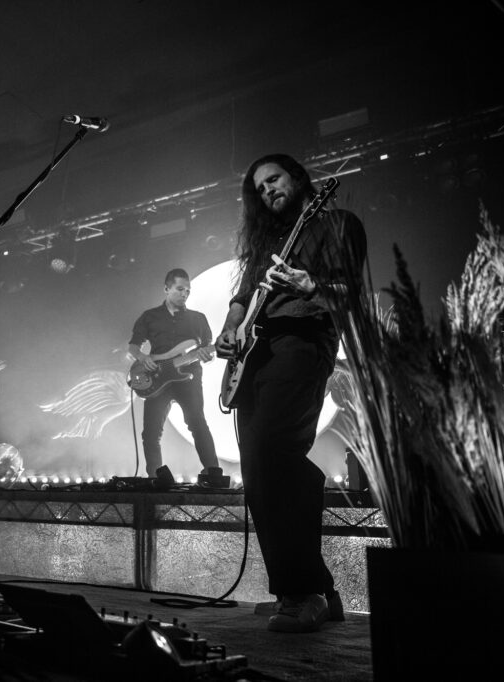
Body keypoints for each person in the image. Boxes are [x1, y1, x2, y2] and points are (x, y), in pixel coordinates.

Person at [215, 153, 367, 633]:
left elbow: (349, 294)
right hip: (257, 352)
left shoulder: (339, 223)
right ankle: (306, 590)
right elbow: (242, 295)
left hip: (304, 342)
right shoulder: (271, 241)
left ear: (299, 178)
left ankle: (306, 592)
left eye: (274, 180)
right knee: (258, 466)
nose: (267, 191)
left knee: (272, 451)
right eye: (258, 189)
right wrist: (230, 326)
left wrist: (309, 283)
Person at [128, 268, 222, 483]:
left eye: (188, 290)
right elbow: (133, 346)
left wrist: (209, 357)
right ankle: (155, 478)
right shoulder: (149, 316)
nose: (184, 294)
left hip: (188, 378)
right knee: (151, 433)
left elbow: (208, 349)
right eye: (180, 289)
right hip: (157, 378)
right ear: (166, 288)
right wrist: (144, 358)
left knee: (197, 423)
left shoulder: (198, 319)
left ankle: (213, 473)